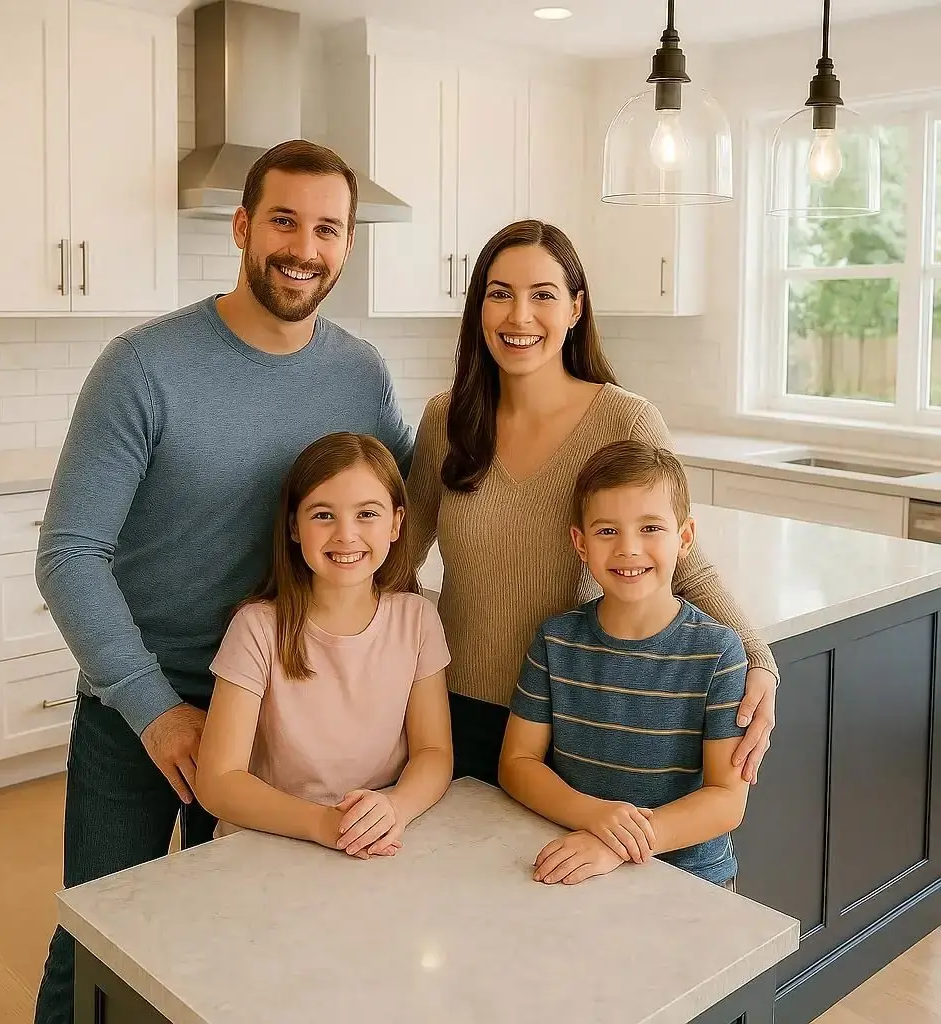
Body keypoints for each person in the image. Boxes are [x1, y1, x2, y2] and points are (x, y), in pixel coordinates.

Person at [33, 140, 413, 1024]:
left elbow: (415, 489)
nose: (303, 247)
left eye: (327, 228)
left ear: (348, 247)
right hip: (144, 708)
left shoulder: (360, 372)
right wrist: (153, 708)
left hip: (288, 708)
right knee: (99, 937)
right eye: (283, 220)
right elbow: (68, 554)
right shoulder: (143, 366)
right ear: (242, 227)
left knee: (247, 939)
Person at [404, 219, 778, 789]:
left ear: (575, 309)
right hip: (453, 708)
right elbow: (395, 557)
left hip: (579, 714)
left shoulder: (624, 420)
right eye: (499, 294)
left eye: (543, 295)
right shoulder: (447, 420)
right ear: (478, 308)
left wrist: (758, 659)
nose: (518, 316)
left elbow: (678, 555)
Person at [498, 440, 749, 888]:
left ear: (685, 537)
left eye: (650, 527)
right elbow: (517, 762)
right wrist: (596, 817)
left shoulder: (719, 653)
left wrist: (619, 843)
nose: (629, 549)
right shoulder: (556, 640)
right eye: (607, 531)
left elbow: (727, 800)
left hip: (690, 881)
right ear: (581, 543)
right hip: (578, 860)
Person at [194, 433, 453, 855]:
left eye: (367, 513)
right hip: (263, 845)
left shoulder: (418, 618)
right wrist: (324, 825)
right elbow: (218, 782)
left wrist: (396, 807)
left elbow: (434, 751)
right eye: (323, 515)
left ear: (396, 523)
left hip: (371, 841)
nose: (346, 535)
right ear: (295, 527)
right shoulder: (256, 627)